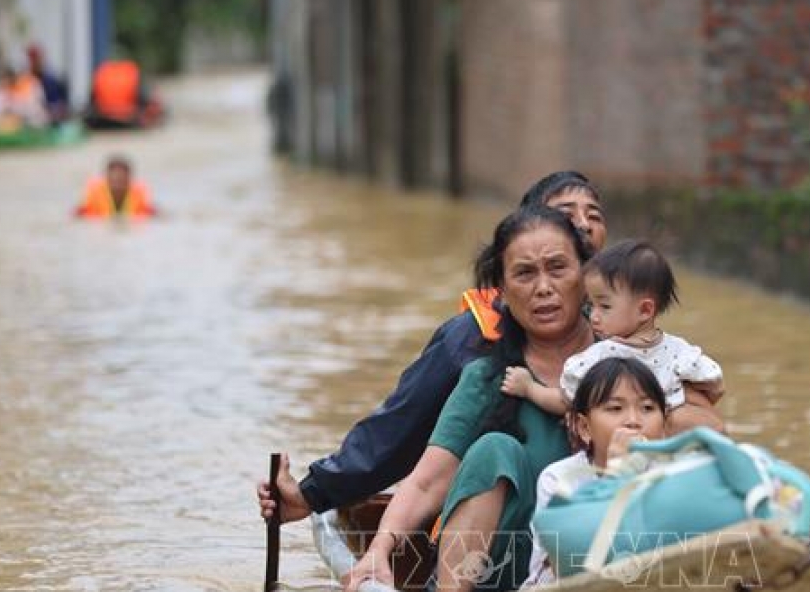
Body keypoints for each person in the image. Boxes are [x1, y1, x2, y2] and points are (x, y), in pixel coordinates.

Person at [257, 172, 616, 525]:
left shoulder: (625, 337)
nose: (583, 226)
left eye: (593, 216)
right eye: (567, 216)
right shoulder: (474, 342)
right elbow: (399, 430)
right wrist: (312, 493)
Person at [342, 204, 601, 592]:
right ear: (501, 287)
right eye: (524, 273)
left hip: (602, 561)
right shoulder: (488, 377)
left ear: (586, 275)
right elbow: (427, 482)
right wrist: (378, 550)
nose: (543, 288)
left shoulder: (624, 362)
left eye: (558, 268)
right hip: (504, 578)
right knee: (495, 449)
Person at [501, 239, 724, 418]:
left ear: (645, 311)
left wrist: (529, 388)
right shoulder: (681, 352)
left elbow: (564, 401)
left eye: (604, 306)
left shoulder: (600, 358)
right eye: (591, 305)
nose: (593, 316)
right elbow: (715, 386)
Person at [523, 356, 669, 587]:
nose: (633, 421)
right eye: (615, 408)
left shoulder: (674, 476)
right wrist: (617, 476)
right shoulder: (560, 480)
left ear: (664, 426)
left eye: (647, 408)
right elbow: (568, 564)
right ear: (584, 428)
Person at [73, 155, 157, 218]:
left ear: (129, 179)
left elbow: (154, 213)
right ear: (107, 179)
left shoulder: (139, 197)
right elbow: (74, 216)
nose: (118, 185)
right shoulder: (91, 202)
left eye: (121, 180)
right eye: (114, 180)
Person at [87, 59, 164, 128]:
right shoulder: (131, 71)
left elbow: (92, 99)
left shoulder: (102, 71)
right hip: (128, 115)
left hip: (103, 115)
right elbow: (141, 98)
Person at [0, 62, 48, 129]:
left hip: (30, 124)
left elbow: (35, 108)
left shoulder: (31, 84)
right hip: (8, 124)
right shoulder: (4, 86)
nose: (11, 78)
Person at [27, 44, 70, 124]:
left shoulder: (50, 82)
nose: (33, 63)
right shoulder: (26, 80)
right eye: (31, 60)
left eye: (36, 59)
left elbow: (58, 105)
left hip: (48, 120)